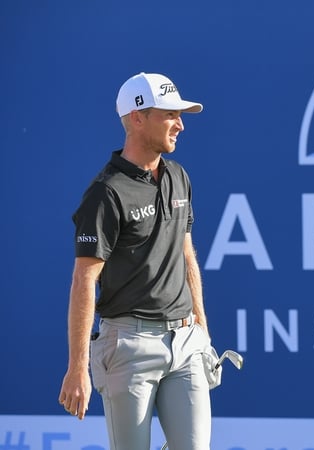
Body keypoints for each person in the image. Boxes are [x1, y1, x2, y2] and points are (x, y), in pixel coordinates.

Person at [58, 72, 212, 450]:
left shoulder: (178, 176)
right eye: (170, 115)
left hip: (185, 341)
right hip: (127, 345)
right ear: (138, 118)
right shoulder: (105, 194)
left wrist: (202, 329)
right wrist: (77, 367)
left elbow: (185, 254)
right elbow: (84, 281)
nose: (180, 125)